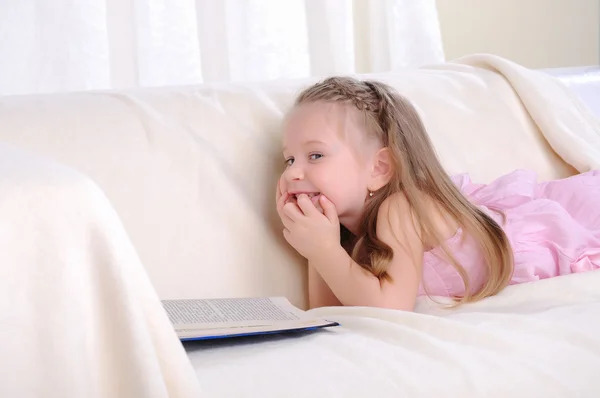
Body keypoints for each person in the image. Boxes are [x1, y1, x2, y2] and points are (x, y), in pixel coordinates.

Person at [275, 76, 600, 311]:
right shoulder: (345, 235)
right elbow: (327, 312)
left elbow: (390, 310)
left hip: (542, 238)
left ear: (379, 169)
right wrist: (315, 247)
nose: (292, 173)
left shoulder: (399, 209)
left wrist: (324, 251)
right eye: (289, 159)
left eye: (315, 155)